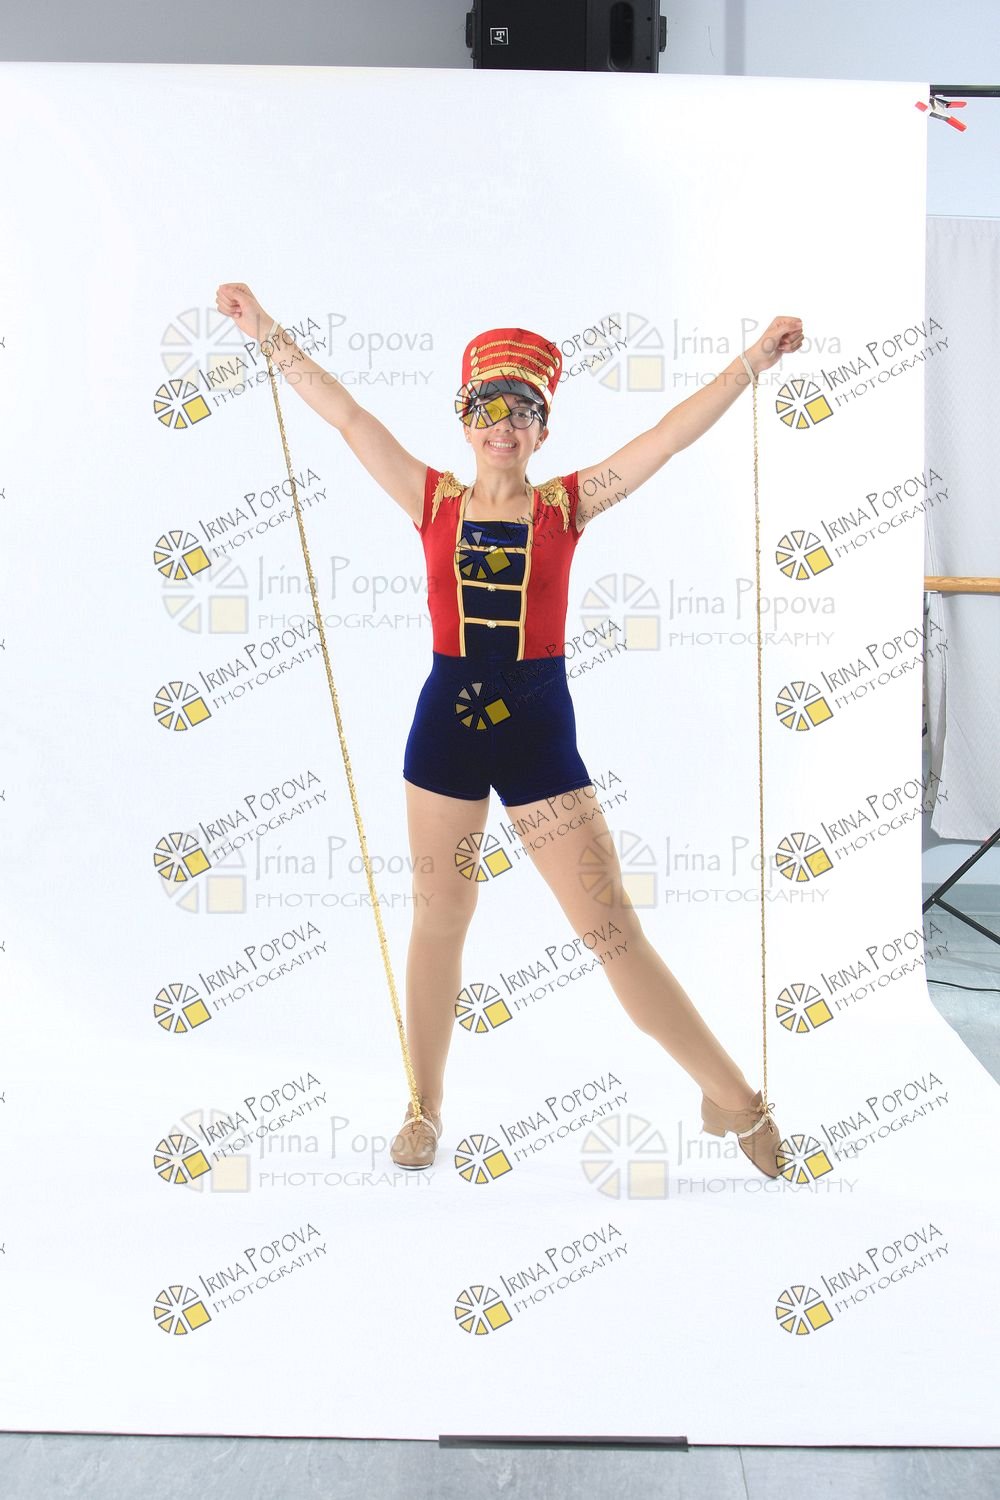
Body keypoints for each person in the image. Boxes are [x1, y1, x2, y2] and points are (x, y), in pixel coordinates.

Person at [216, 283, 804, 1178]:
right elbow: (347, 415)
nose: (503, 424)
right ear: (465, 419)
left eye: (522, 410)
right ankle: (423, 1105)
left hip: (536, 733)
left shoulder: (568, 505)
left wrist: (753, 362)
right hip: (447, 730)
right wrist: (264, 331)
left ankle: (733, 1096)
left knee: (611, 932)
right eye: (488, 407)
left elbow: (667, 438)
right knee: (440, 917)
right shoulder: (430, 499)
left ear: (542, 430)